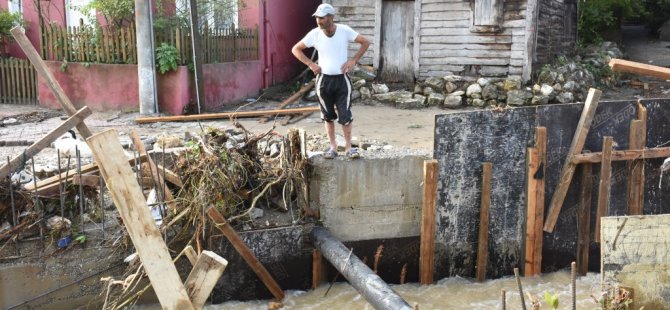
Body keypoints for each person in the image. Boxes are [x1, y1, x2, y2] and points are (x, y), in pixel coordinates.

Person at [291, 3, 370, 159]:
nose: (318, 21)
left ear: (331, 17)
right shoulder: (315, 34)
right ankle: (332, 147)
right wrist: (311, 64)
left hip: (342, 80)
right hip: (323, 80)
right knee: (327, 115)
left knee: (345, 115)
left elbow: (365, 42)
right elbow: (295, 49)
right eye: (317, 18)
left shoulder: (344, 30)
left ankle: (348, 148)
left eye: (322, 18)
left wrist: (353, 61)